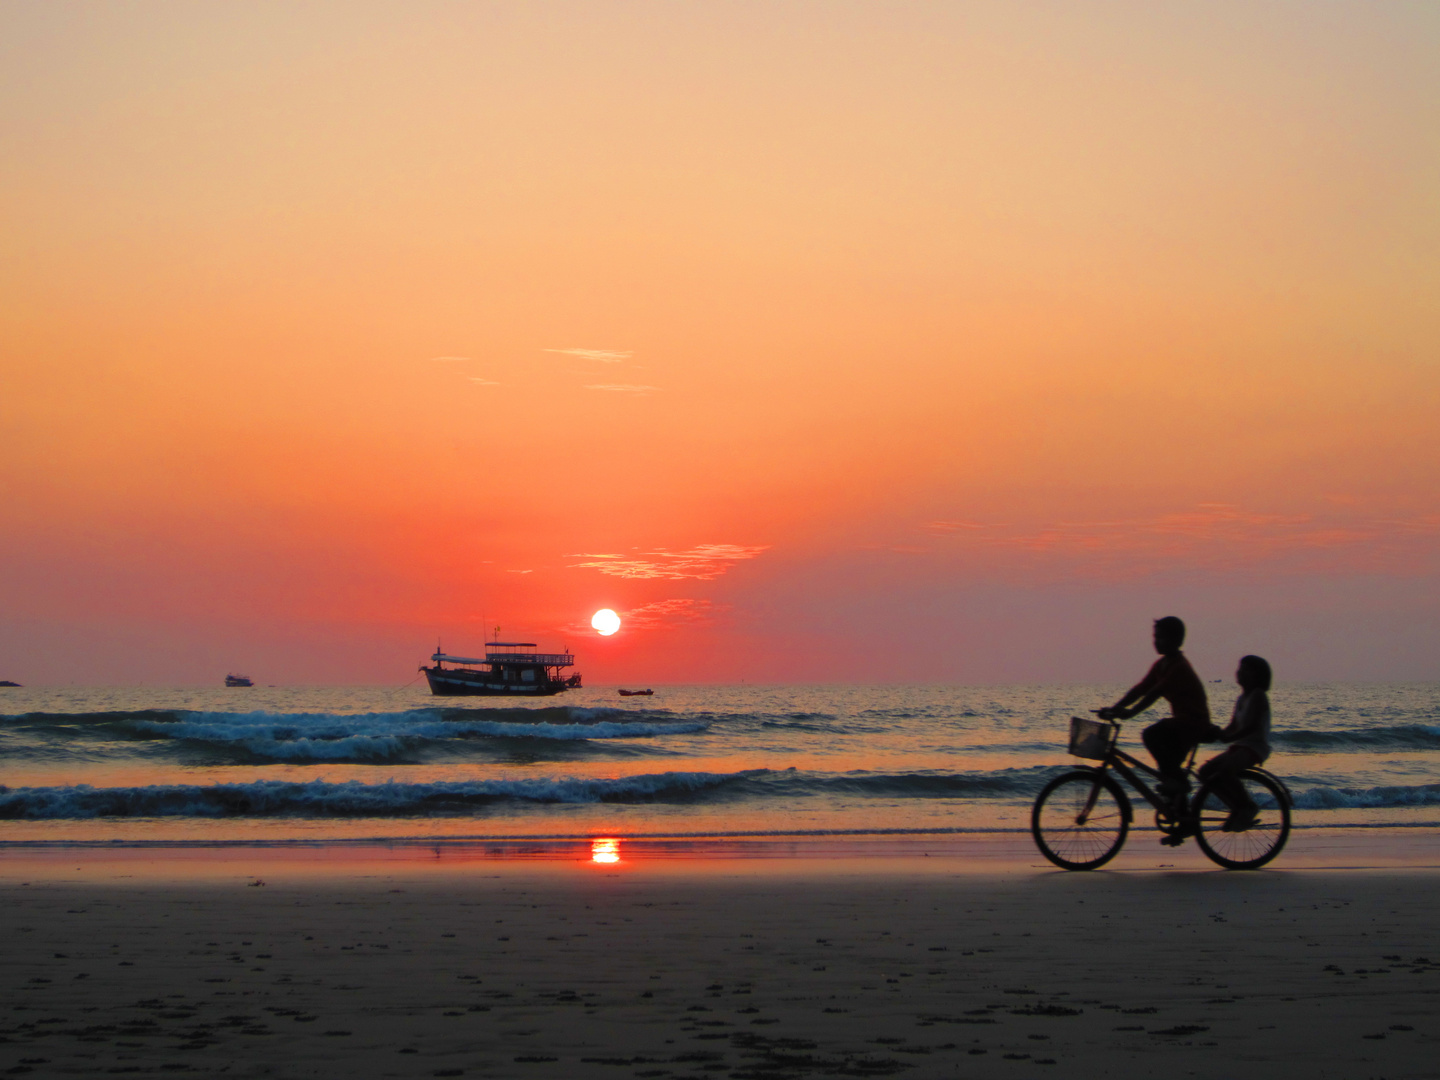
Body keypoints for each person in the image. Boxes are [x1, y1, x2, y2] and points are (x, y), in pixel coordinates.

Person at [1097, 616, 1213, 800]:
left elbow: (1154, 693)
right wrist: (1116, 707)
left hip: (1193, 723)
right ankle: (1181, 814)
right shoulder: (1161, 665)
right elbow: (1141, 689)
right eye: (1155, 637)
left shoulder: (1179, 667)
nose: (1156, 642)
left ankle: (1179, 783)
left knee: (1151, 735)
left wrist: (1131, 713)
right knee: (1169, 768)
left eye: (1162, 637)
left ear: (1176, 641)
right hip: (1182, 723)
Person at [1197, 655, 1272, 831]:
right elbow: (1234, 725)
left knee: (1225, 771)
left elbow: (1252, 726)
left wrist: (1229, 738)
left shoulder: (1258, 696)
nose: (1239, 673)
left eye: (1244, 669)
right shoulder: (1242, 698)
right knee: (1205, 772)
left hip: (1255, 747)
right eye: (1239, 668)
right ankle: (1236, 808)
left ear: (1255, 674)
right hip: (1240, 746)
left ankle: (1247, 806)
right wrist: (1219, 733)